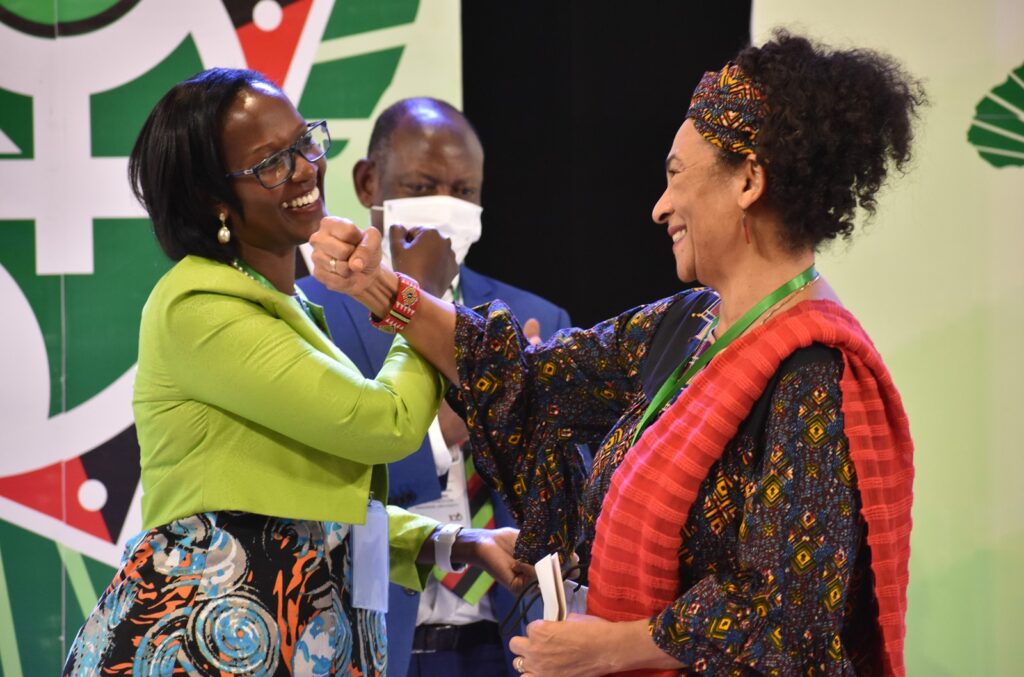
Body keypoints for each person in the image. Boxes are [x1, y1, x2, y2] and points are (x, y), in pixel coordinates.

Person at [310, 31, 922, 676]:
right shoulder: (688, 325)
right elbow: (526, 377)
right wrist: (376, 286)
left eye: (676, 175)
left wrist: (611, 647)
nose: (660, 207)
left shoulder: (813, 370)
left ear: (748, 181)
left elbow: (787, 613)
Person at [61, 68, 521, 677]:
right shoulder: (198, 306)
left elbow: (314, 506)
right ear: (212, 200)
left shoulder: (291, 309)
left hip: (294, 642)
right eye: (271, 162)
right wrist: (421, 295)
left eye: (305, 142)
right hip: (209, 648)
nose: (305, 168)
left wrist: (459, 542)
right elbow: (382, 424)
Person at [298, 97, 572, 677]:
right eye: (424, 187)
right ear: (370, 182)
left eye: (464, 192)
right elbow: (312, 488)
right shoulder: (305, 316)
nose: (446, 208)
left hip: (509, 642)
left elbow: (571, 495)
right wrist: (444, 430)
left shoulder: (534, 321)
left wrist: (522, 425)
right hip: (370, 640)